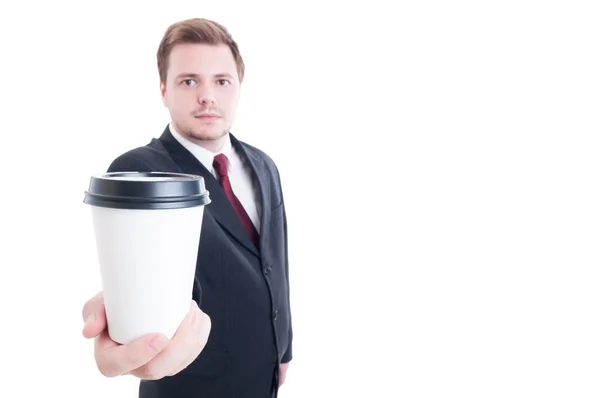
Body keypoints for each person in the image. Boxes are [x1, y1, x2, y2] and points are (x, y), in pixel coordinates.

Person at [81, 18, 293, 398]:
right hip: (189, 385)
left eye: (221, 81)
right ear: (163, 90)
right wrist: (126, 322)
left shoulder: (264, 166)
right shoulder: (140, 172)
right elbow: (139, 280)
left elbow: (276, 262)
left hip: (263, 379)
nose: (208, 95)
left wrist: (284, 347)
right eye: (189, 81)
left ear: (238, 88)